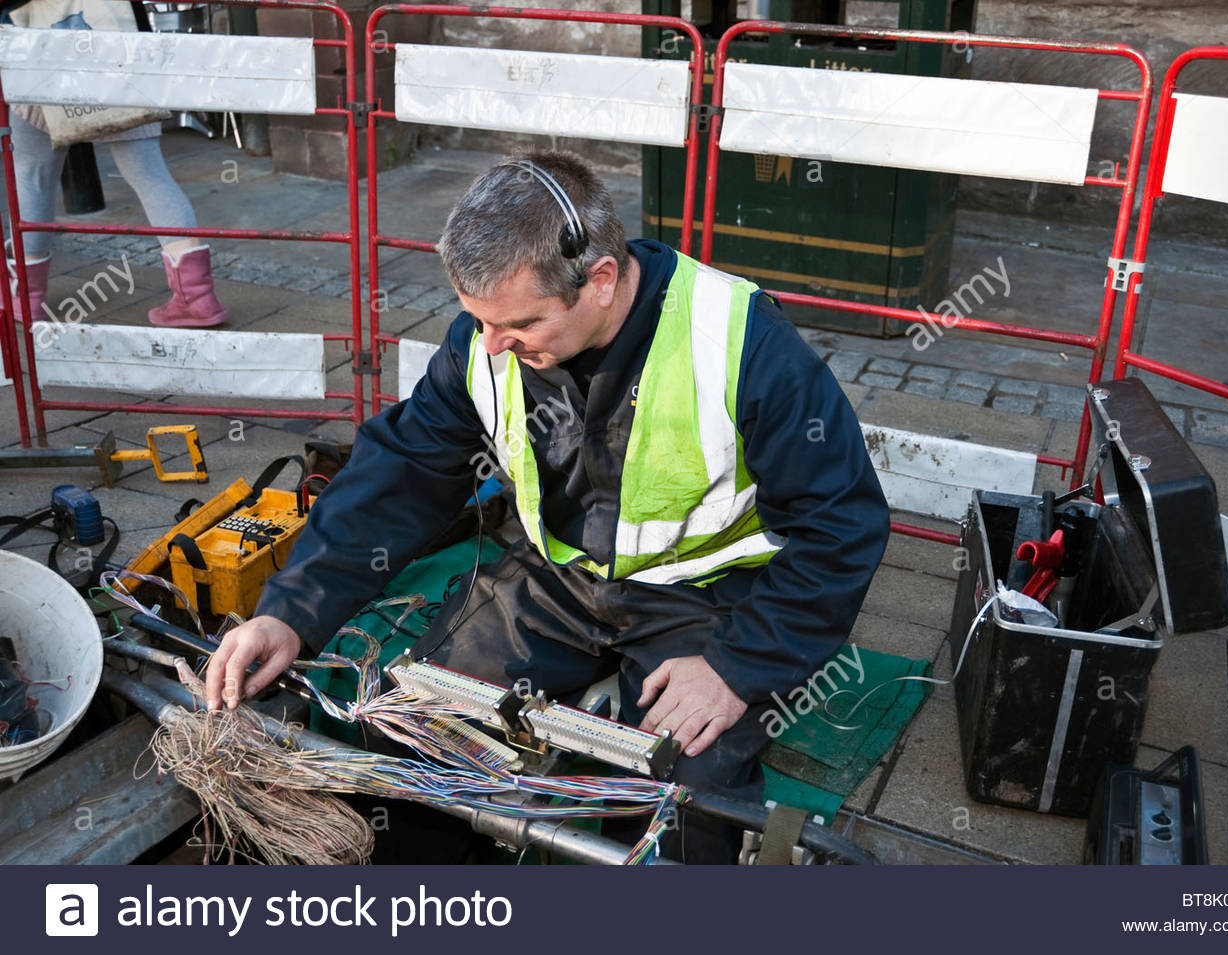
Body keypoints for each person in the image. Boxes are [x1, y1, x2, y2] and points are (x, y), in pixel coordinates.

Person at [207, 150, 891, 862]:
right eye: (480, 321)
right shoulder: (487, 337)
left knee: (679, 795)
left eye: (520, 325)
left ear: (599, 280)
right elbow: (402, 470)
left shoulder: (739, 340)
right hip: (559, 579)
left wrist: (737, 668)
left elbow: (841, 522)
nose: (493, 345)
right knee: (417, 725)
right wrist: (291, 610)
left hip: (706, 596)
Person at [2, 0, 228, 329]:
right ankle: (197, 297)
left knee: (33, 176)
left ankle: (26, 297)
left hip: (41, 53)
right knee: (149, 174)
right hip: (120, 50)